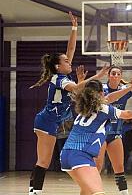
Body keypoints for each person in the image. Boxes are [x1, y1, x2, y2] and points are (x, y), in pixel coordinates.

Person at [28, 12, 110, 195]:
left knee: (46, 159)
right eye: (65, 61)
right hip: (46, 122)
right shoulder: (59, 79)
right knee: (44, 161)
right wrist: (97, 77)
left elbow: (71, 49)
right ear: (58, 66)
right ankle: (34, 192)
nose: (69, 60)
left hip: (55, 121)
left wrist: (74, 28)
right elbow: (75, 88)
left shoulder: (63, 73)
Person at [60, 79, 132, 195]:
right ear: (100, 93)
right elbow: (126, 114)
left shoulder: (84, 108)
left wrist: (129, 88)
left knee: (87, 191)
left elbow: (109, 98)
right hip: (81, 155)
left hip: (65, 155)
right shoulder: (104, 109)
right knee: (98, 193)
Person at [94, 66, 132, 195]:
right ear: (108, 75)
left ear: (121, 77)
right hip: (100, 133)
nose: (115, 75)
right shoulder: (101, 89)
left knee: (119, 168)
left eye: (118, 74)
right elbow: (109, 98)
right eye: (113, 73)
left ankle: (124, 193)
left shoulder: (124, 89)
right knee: (98, 167)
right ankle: (92, 191)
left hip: (115, 133)